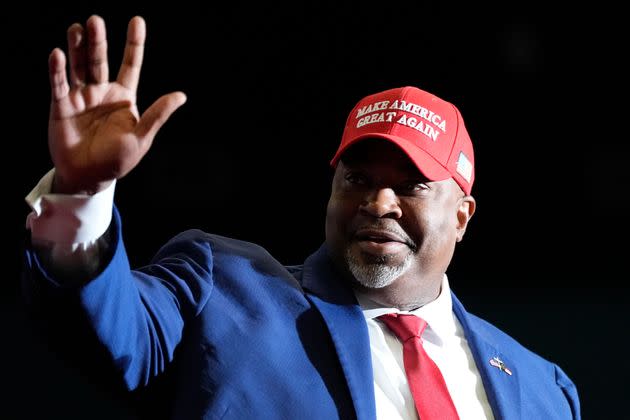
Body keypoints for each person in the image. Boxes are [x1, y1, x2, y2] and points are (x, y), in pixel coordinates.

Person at [22, 14, 581, 420]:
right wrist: (81, 193)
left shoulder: (543, 389)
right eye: (357, 178)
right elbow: (111, 333)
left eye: (409, 185)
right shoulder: (223, 288)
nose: (379, 202)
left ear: (461, 216)